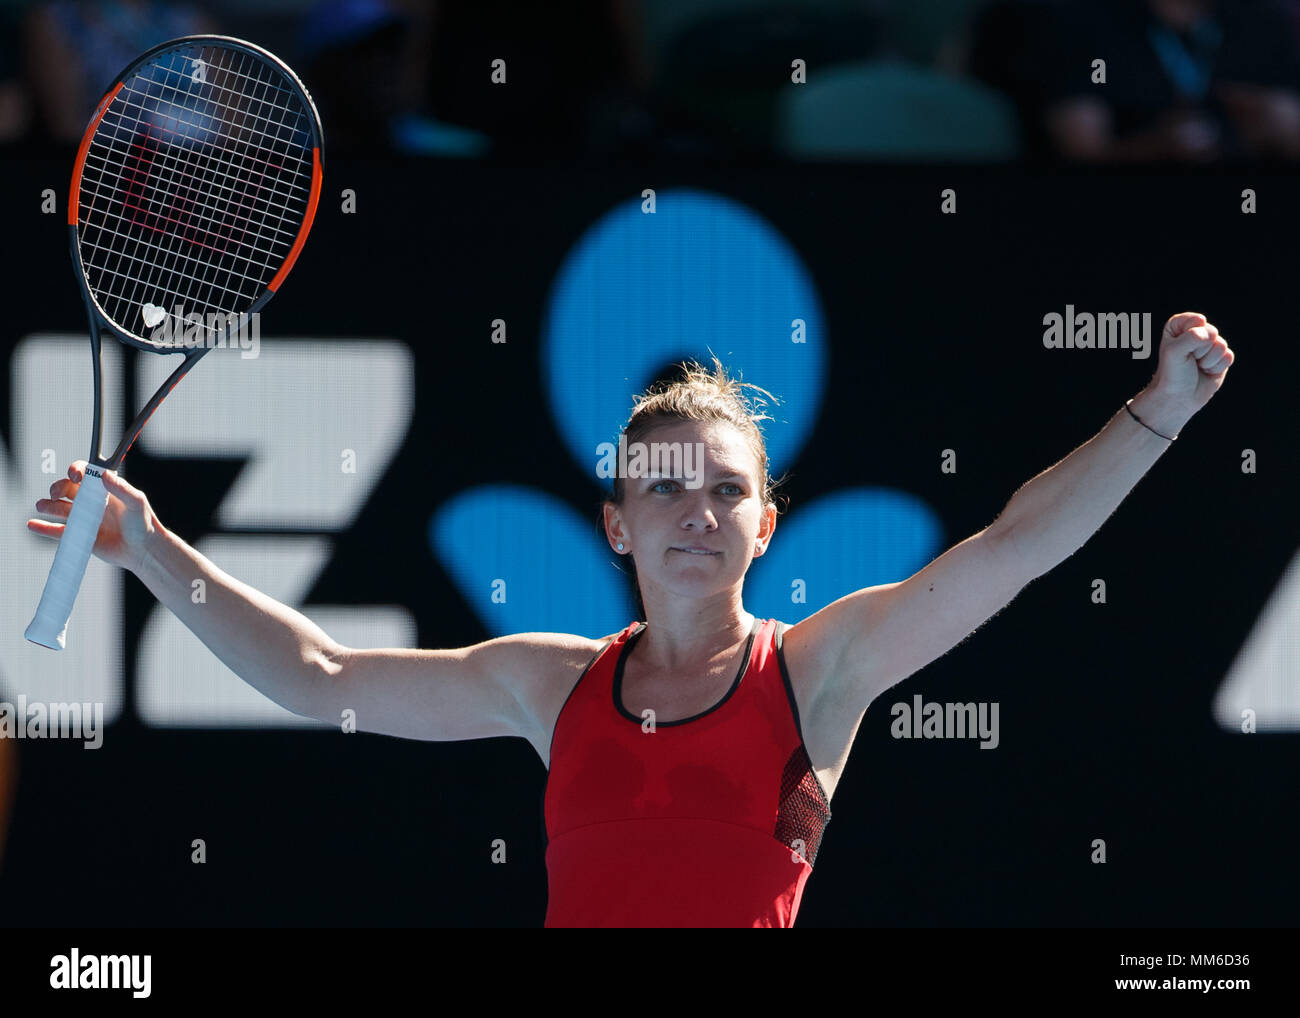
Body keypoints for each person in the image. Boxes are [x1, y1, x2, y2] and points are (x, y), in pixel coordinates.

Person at [27, 314, 1234, 927]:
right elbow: (320, 674)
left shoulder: (822, 669)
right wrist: (146, 546)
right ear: (616, 525)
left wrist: (1158, 412)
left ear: (767, 524)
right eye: (662, 484)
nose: (693, 510)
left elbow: (1015, 548)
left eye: (724, 488)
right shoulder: (547, 684)